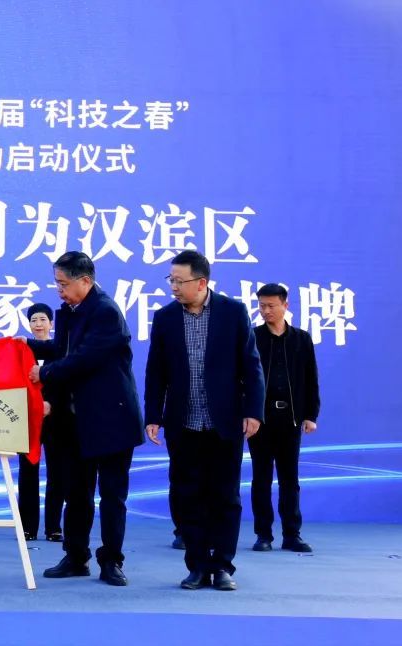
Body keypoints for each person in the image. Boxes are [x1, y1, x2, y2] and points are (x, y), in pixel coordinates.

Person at [144, 250, 265, 591]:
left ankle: (222, 565)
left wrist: (253, 411)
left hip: (225, 421)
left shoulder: (233, 312)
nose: (173, 287)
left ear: (201, 283)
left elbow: (251, 366)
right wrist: (153, 415)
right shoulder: (165, 318)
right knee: (188, 496)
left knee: (226, 496)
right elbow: (156, 371)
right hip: (183, 422)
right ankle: (197, 565)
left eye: (178, 281)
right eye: (170, 280)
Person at [27, 252, 145, 586]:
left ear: (86, 281)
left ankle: (112, 561)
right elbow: (63, 349)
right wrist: (28, 346)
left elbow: (85, 358)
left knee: (111, 496)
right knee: (76, 493)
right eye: (57, 284)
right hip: (75, 422)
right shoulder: (70, 311)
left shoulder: (106, 312)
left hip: (111, 420)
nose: (59, 291)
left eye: (63, 284)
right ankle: (76, 556)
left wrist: (44, 373)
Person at [249, 283, 320, 553]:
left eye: (271, 306)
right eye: (262, 306)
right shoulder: (252, 337)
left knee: (290, 479)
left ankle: (292, 534)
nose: (266, 311)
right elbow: (243, 379)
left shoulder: (301, 339)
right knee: (261, 479)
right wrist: (248, 413)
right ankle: (263, 535)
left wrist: (310, 415)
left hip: (290, 420)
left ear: (285, 306)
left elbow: (311, 379)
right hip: (260, 421)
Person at [17, 302, 68, 542]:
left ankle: (53, 527)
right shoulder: (21, 350)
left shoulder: (61, 349)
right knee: (28, 473)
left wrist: (51, 404)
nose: (38, 324)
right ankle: (27, 527)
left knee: (57, 473)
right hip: (27, 419)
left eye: (42, 320)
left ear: (51, 323)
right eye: (34, 320)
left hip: (56, 419)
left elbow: (66, 382)